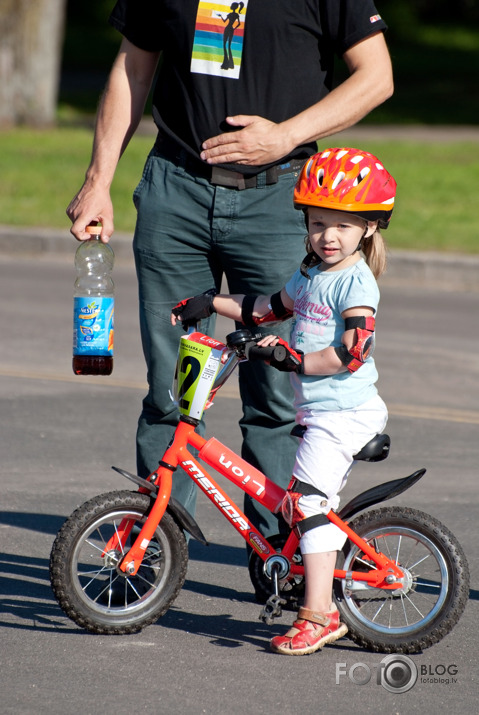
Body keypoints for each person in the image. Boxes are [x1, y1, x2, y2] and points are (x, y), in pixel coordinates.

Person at [66, 1, 393, 549]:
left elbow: (377, 76)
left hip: (280, 197)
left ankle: (282, 559)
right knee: (173, 390)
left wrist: (286, 135)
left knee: (276, 396)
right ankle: (153, 558)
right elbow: (132, 66)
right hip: (177, 192)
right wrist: (99, 179)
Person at [171, 146, 397, 654]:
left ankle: (319, 614)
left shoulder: (355, 281)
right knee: (300, 503)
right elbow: (269, 308)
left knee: (307, 503)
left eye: (342, 225)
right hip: (321, 412)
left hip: (345, 413)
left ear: (369, 228)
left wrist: (294, 360)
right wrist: (213, 303)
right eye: (318, 224)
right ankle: (314, 569)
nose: (328, 236)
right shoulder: (312, 272)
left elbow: (353, 351)